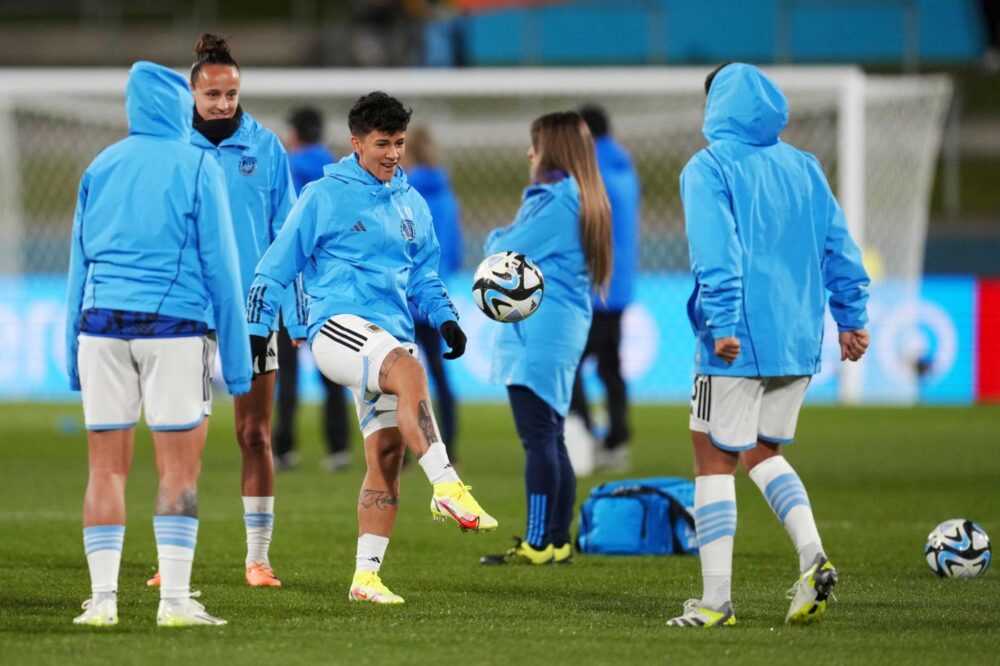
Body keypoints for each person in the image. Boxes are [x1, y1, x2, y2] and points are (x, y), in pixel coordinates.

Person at [247, 91, 497, 604]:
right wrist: (257, 328)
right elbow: (276, 264)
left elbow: (424, 274)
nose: (392, 154)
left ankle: (366, 578)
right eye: (382, 143)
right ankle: (448, 486)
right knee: (410, 372)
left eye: (400, 143)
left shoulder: (411, 202)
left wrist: (447, 320)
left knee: (385, 454)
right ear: (357, 143)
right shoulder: (323, 195)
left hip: (389, 334)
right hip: (338, 325)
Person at [667, 63, 870, 628]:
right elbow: (839, 246)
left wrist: (725, 323)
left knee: (711, 457)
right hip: (799, 340)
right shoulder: (804, 167)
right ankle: (812, 557)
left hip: (736, 341)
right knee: (763, 451)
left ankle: (715, 602)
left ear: (715, 106)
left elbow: (718, 253)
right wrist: (851, 317)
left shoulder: (708, 167)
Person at [65, 61, 250, 627]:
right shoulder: (197, 164)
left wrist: (70, 359)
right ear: (179, 105)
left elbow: (78, 264)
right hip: (174, 331)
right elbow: (223, 269)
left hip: (99, 328)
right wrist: (238, 367)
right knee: (178, 471)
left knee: (105, 470)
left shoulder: (100, 165)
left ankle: (102, 602)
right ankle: (173, 602)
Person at [146, 34, 304, 590]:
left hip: (255, 318)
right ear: (193, 92)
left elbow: (291, 237)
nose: (223, 104)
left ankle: (257, 559)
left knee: (254, 435)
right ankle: (172, 559)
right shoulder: (170, 147)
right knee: (182, 436)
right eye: (213, 94)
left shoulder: (265, 150)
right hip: (188, 315)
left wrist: (298, 317)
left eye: (231, 94)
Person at [479, 111, 612, 566]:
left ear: (551, 149)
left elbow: (500, 250)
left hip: (541, 329)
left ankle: (538, 543)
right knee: (551, 437)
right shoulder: (579, 196)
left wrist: (499, 234)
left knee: (538, 438)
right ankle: (557, 540)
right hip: (559, 326)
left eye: (534, 144)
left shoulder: (557, 202)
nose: (528, 152)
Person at [272, 106, 353, 473]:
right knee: (333, 369)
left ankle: (283, 448)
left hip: (291, 282)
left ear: (294, 132)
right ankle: (339, 449)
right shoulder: (340, 173)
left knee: (285, 370)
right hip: (328, 284)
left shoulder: (284, 169)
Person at [569, 104, 640, 472]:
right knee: (611, 367)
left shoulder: (592, 174)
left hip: (593, 288)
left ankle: (585, 432)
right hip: (620, 287)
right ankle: (617, 440)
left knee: (571, 364)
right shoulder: (625, 169)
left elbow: (584, 231)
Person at [401, 125, 462, 456]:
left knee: (400, 379)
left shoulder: (405, 195)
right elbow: (454, 250)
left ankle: (408, 450)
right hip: (436, 297)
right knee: (439, 375)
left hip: (405, 298)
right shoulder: (446, 195)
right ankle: (448, 446)